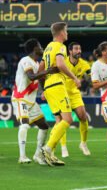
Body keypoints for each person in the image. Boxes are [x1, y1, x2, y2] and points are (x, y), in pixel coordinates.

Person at [40, 22, 81, 166]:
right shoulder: (60, 46)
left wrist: (43, 88)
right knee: (68, 119)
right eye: (66, 31)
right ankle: (47, 148)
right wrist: (74, 78)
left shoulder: (47, 48)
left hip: (49, 86)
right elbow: (61, 64)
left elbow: (41, 69)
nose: (67, 33)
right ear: (61, 33)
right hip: (57, 84)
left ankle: (49, 153)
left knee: (59, 120)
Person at [12, 39, 55, 165]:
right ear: (34, 49)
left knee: (44, 126)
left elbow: (39, 78)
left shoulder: (37, 63)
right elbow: (31, 76)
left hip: (31, 101)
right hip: (21, 98)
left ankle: (37, 155)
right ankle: (22, 156)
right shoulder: (26, 60)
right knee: (25, 124)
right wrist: (48, 71)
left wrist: (45, 89)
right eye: (40, 46)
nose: (41, 48)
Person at [58, 42, 91, 157]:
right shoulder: (62, 62)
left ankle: (83, 143)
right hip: (62, 93)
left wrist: (92, 80)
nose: (79, 51)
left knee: (83, 117)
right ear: (70, 51)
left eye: (80, 48)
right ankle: (63, 147)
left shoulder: (84, 64)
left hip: (75, 94)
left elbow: (90, 76)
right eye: (76, 49)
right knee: (64, 121)